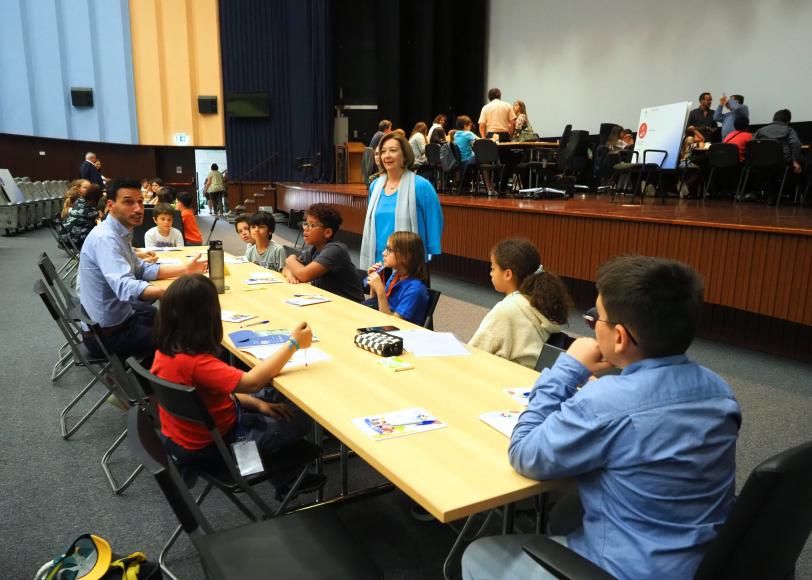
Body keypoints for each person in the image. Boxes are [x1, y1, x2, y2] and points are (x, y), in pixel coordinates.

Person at [462, 255, 741, 580]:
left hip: (622, 570)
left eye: (596, 319)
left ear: (620, 337)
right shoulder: (720, 392)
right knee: (568, 510)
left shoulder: (606, 402)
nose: (591, 326)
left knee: (478, 554)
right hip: (702, 562)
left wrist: (568, 368)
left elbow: (524, 453)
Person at [151, 273, 322, 495]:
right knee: (304, 415)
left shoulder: (165, 353)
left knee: (269, 396)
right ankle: (288, 478)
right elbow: (252, 382)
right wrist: (293, 344)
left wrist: (256, 404)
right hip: (220, 446)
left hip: (186, 439)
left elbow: (213, 395)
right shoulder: (197, 363)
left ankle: (287, 479)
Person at [79, 179, 207, 360]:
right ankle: (156, 383)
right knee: (182, 338)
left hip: (116, 320)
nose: (138, 209)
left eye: (139, 201)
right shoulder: (106, 239)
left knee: (157, 315)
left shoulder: (118, 232)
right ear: (110, 205)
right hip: (108, 335)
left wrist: (185, 269)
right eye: (128, 202)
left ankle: (153, 370)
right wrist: (169, 293)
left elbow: (140, 269)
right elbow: (125, 286)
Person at [468, 239, 571, 368]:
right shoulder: (540, 302)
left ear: (507, 274)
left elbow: (474, 352)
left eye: (493, 268)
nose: (490, 273)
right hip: (529, 377)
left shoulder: (507, 310)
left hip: (504, 380)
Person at [360, 132, 444, 270]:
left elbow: (434, 221)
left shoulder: (421, 186)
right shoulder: (375, 186)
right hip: (377, 261)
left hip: (409, 262)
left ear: (405, 155)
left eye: (393, 150)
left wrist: (428, 256)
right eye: (383, 151)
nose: (387, 155)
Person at [283, 203, 365, 302]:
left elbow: (303, 274)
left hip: (351, 307)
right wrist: (289, 273)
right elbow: (287, 268)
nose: (306, 229)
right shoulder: (313, 249)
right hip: (328, 302)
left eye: (312, 225)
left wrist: (290, 258)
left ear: (327, 232)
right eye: (306, 224)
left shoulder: (335, 250)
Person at [365, 231, 430, 325]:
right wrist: (373, 285)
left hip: (399, 335)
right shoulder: (396, 276)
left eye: (389, 249)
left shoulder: (415, 290)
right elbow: (375, 305)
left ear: (405, 256)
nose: (383, 253)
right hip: (380, 324)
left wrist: (380, 291)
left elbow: (391, 327)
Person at [454, 115, 495, 195]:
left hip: (461, 161)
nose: (470, 127)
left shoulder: (456, 134)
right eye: (469, 125)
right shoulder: (467, 134)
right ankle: (489, 187)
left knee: (481, 158)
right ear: (465, 125)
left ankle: (488, 187)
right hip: (468, 160)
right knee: (484, 160)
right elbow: (481, 141)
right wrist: (493, 139)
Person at [754, 109, 803, 174]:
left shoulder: (760, 130)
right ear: (788, 121)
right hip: (783, 163)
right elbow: (796, 143)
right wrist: (795, 161)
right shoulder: (788, 130)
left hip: (761, 162)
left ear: (774, 119)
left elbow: (752, 144)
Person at [62, 183, 104, 250]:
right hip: (73, 239)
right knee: (100, 233)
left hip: (65, 235)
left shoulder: (80, 200)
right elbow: (100, 222)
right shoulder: (89, 209)